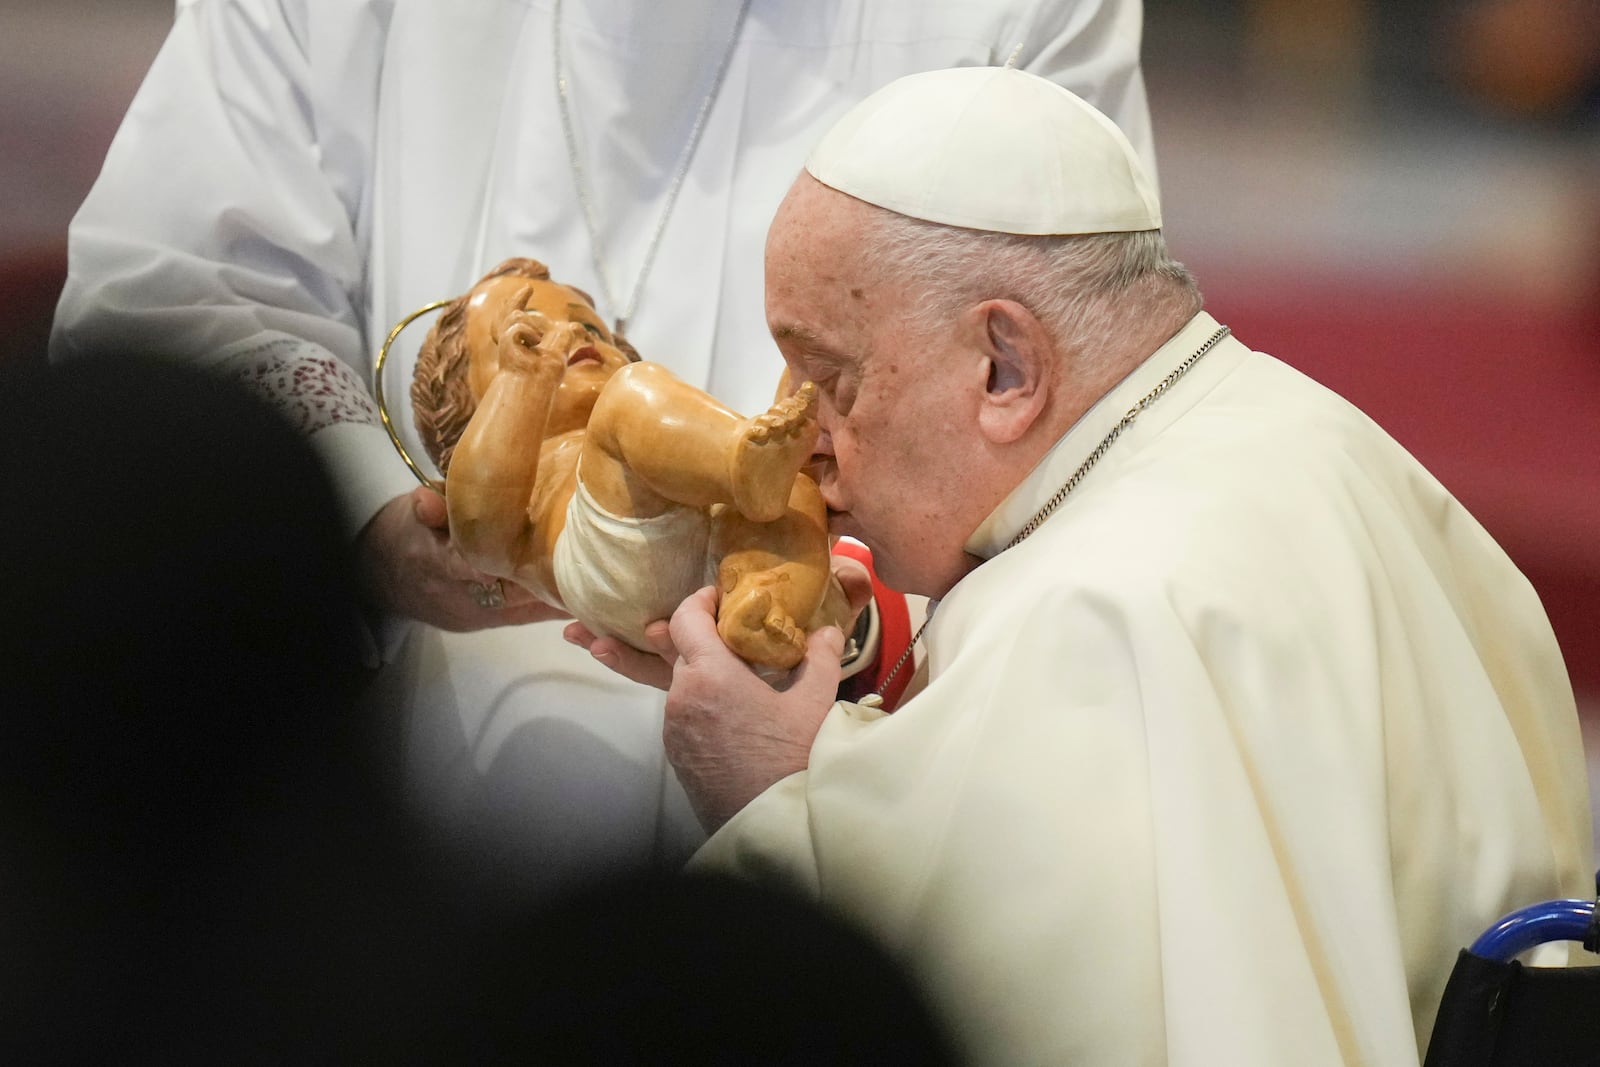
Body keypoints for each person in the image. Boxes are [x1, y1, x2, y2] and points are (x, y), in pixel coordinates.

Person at [50, 0, 1159, 895]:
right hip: (395, 815)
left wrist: (847, 614)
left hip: (835, 807)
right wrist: (376, 522)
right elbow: (182, 292)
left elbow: (1059, 386)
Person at [606, 66, 1596, 1063]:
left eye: (827, 375)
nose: (796, 436)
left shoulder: (1096, 611)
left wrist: (767, 791)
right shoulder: (1328, 444)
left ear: (1005, 364)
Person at [413, 256, 850, 669]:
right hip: (611, 562)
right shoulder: (537, 479)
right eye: (529, 336)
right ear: (468, 415)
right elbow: (477, 529)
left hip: (717, 541)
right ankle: (747, 465)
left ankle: (761, 605)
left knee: (797, 488)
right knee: (631, 395)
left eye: (591, 327)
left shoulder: (658, 439)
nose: (575, 336)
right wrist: (524, 381)